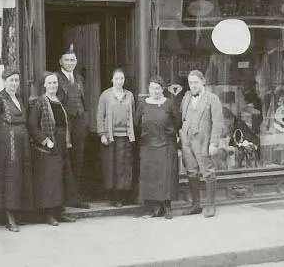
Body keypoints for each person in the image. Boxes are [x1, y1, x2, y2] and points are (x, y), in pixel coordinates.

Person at [28, 71, 78, 226]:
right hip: (49, 145)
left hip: (62, 142)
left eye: (55, 83)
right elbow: (32, 126)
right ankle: (48, 214)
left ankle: (59, 211)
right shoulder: (40, 102)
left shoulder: (59, 100)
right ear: (44, 85)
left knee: (61, 177)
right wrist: (45, 140)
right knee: (50, 180)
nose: (53, 86)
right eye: (49, 83)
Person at [0, 69, 32, 232]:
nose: (14, 84)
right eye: (11, 80)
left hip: (21, 142)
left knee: (20, 175)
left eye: (16, 81)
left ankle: (18, 212)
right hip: (6, 145)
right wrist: (1, 137)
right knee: (9, 177)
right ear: (4, 81)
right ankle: (8, 216)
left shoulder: (19, 98)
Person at [179, 70, 225, 218]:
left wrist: (214, 143)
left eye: (196, 82)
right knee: (191, 171)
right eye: (190, 82)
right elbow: (182, 117)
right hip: (187, 141)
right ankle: (195, 205)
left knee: (208, 172)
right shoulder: (186, 97)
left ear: (203, 82)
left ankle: (210, 206)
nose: (193, 85)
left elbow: (217, 123)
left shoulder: (212, 99)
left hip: (203, 142)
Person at [135, 75, 181, 219]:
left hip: (167, 145)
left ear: (162, 89)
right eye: (152, 88)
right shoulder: (142, 103)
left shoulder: (169, 103)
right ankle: (155, 208)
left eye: (157, 88)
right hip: (148, 145)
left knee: (166, 176)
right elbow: (137, 122)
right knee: (152, 177)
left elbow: (178, 122)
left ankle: (167, 207)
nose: (155, 91)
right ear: (148, 89)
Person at [56, 45, 91, 208]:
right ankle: (63, 198)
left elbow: (83, 100)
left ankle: (76, 197)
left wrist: (85, 118)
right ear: (61, 62)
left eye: (73, 60)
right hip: (64, 123)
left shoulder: (79, 78)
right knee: (65, 159)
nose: (70, 62)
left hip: (79, 122)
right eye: (67, 60)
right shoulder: (56, 78)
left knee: (78, 159)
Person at [96, 67, 136, 206]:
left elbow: (133, 115)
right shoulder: (105, 95)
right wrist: (102, 134)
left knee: (124, 167)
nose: (120, 81)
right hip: (110, 136)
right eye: (117, 78)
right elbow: (100, 115)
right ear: (112, 80)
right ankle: (114, 197)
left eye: (122, 78)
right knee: (111, 166)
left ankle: (123, 195)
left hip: (125, 136)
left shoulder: (129, 95)